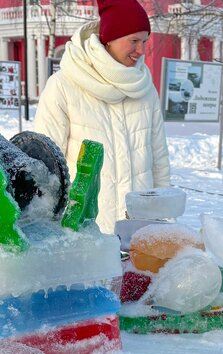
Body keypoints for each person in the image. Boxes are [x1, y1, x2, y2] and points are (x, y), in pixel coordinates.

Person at [34, 0, 170, 234]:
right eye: (134, 41)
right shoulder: (64, 86)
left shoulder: (145, 88)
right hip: (84, 234)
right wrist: (52, 230)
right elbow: (45, 168)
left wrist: (164, 222)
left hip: (139, 231)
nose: (141, 50)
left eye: (145, 41)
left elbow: (159, 161)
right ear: (109, 39)